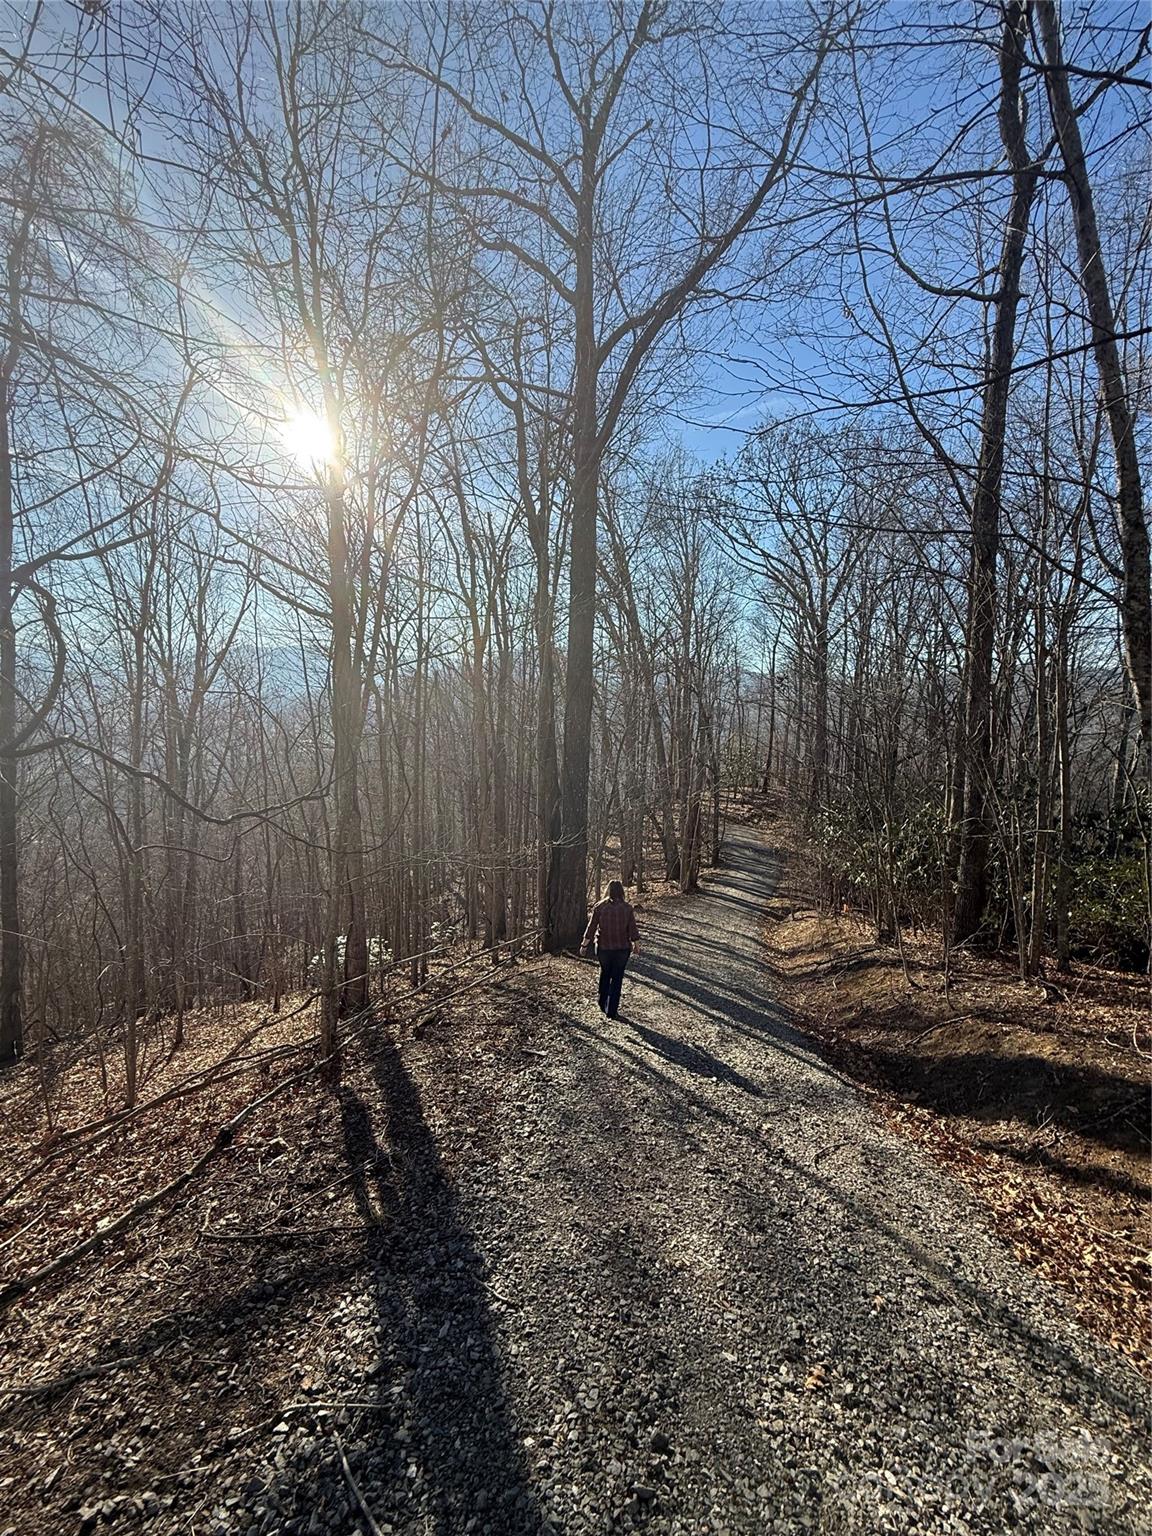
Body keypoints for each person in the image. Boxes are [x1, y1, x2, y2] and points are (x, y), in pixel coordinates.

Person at [580, 879, 640, 1020]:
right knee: (617, 978)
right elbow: (632, 928)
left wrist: (584, 945)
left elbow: (591, 927)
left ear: (608, 891)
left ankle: (602, 1002)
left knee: (605, 973)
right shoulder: (627, 908)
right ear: (622, 892)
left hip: (604, 948)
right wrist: (636, 944)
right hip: (622, 948)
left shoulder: (600, 907)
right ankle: (612, 1010)